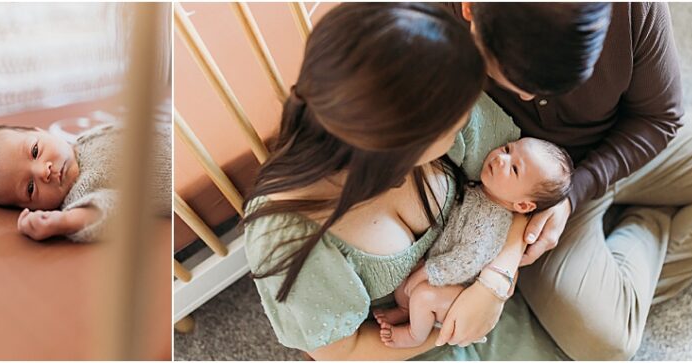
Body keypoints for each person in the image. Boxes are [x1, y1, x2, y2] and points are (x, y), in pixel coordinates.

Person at [242, 4, 564, 360]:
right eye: (456, 125)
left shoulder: (440, 89)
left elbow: (524, 192)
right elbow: (345, 352)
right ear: (407, 144)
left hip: (481, 286)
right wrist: (448, 330)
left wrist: (495, 282)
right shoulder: (287, 235)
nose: (468, 120)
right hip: (401, 341)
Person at [448, 3, 692, 358]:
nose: (527, 97)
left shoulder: (633, 8)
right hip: (531, 198)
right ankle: (647, 222)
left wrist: (576, 193)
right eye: (513, 80)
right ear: (470, 8)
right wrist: (506, 255)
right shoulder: (431, 19)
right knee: (607, 345)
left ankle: (629, 239)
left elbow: (660, 118)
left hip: (624, 144)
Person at [375, 137, 573, 348]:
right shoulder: (479, 190)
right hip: (441, 266)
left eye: (514, 169)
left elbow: (467, 260)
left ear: (523, 205)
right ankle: (405, 311)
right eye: (507, 149)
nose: (500, 159)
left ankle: (414, 335)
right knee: (409, 271)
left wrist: (428, 272)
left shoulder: (492, 219)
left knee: (423, 296)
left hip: (460, 288)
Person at [0, 123, 171, 242]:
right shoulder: (81, 193)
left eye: (35, 151)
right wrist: (63, 222)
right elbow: (111, 210)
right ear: (30, 207)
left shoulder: (83, 139)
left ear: (41, 131)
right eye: (30, 188)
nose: (43, 171)